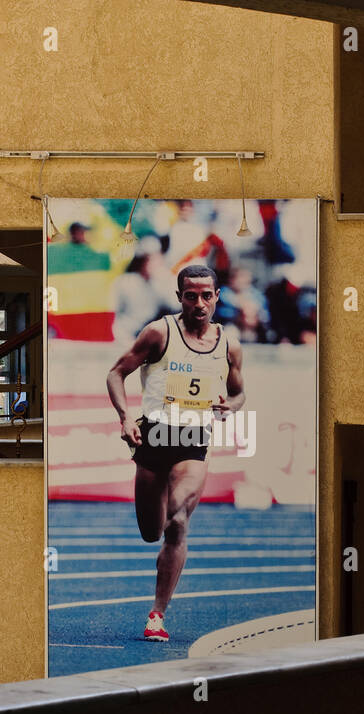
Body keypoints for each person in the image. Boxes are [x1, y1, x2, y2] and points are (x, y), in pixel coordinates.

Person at [106, 265, 246, 641]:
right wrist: (125, 418)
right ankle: (160, 509)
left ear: (217, 296)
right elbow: (116, 373)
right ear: (179, 296)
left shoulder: (229, 345)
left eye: (206, 295)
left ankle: (157, 614)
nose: (199, 303)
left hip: (193, 437)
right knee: (151, 531)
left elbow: (238, 392)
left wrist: (231, 406)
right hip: (153, 437)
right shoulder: (159, 333)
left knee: (178, 520)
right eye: (190, 295)